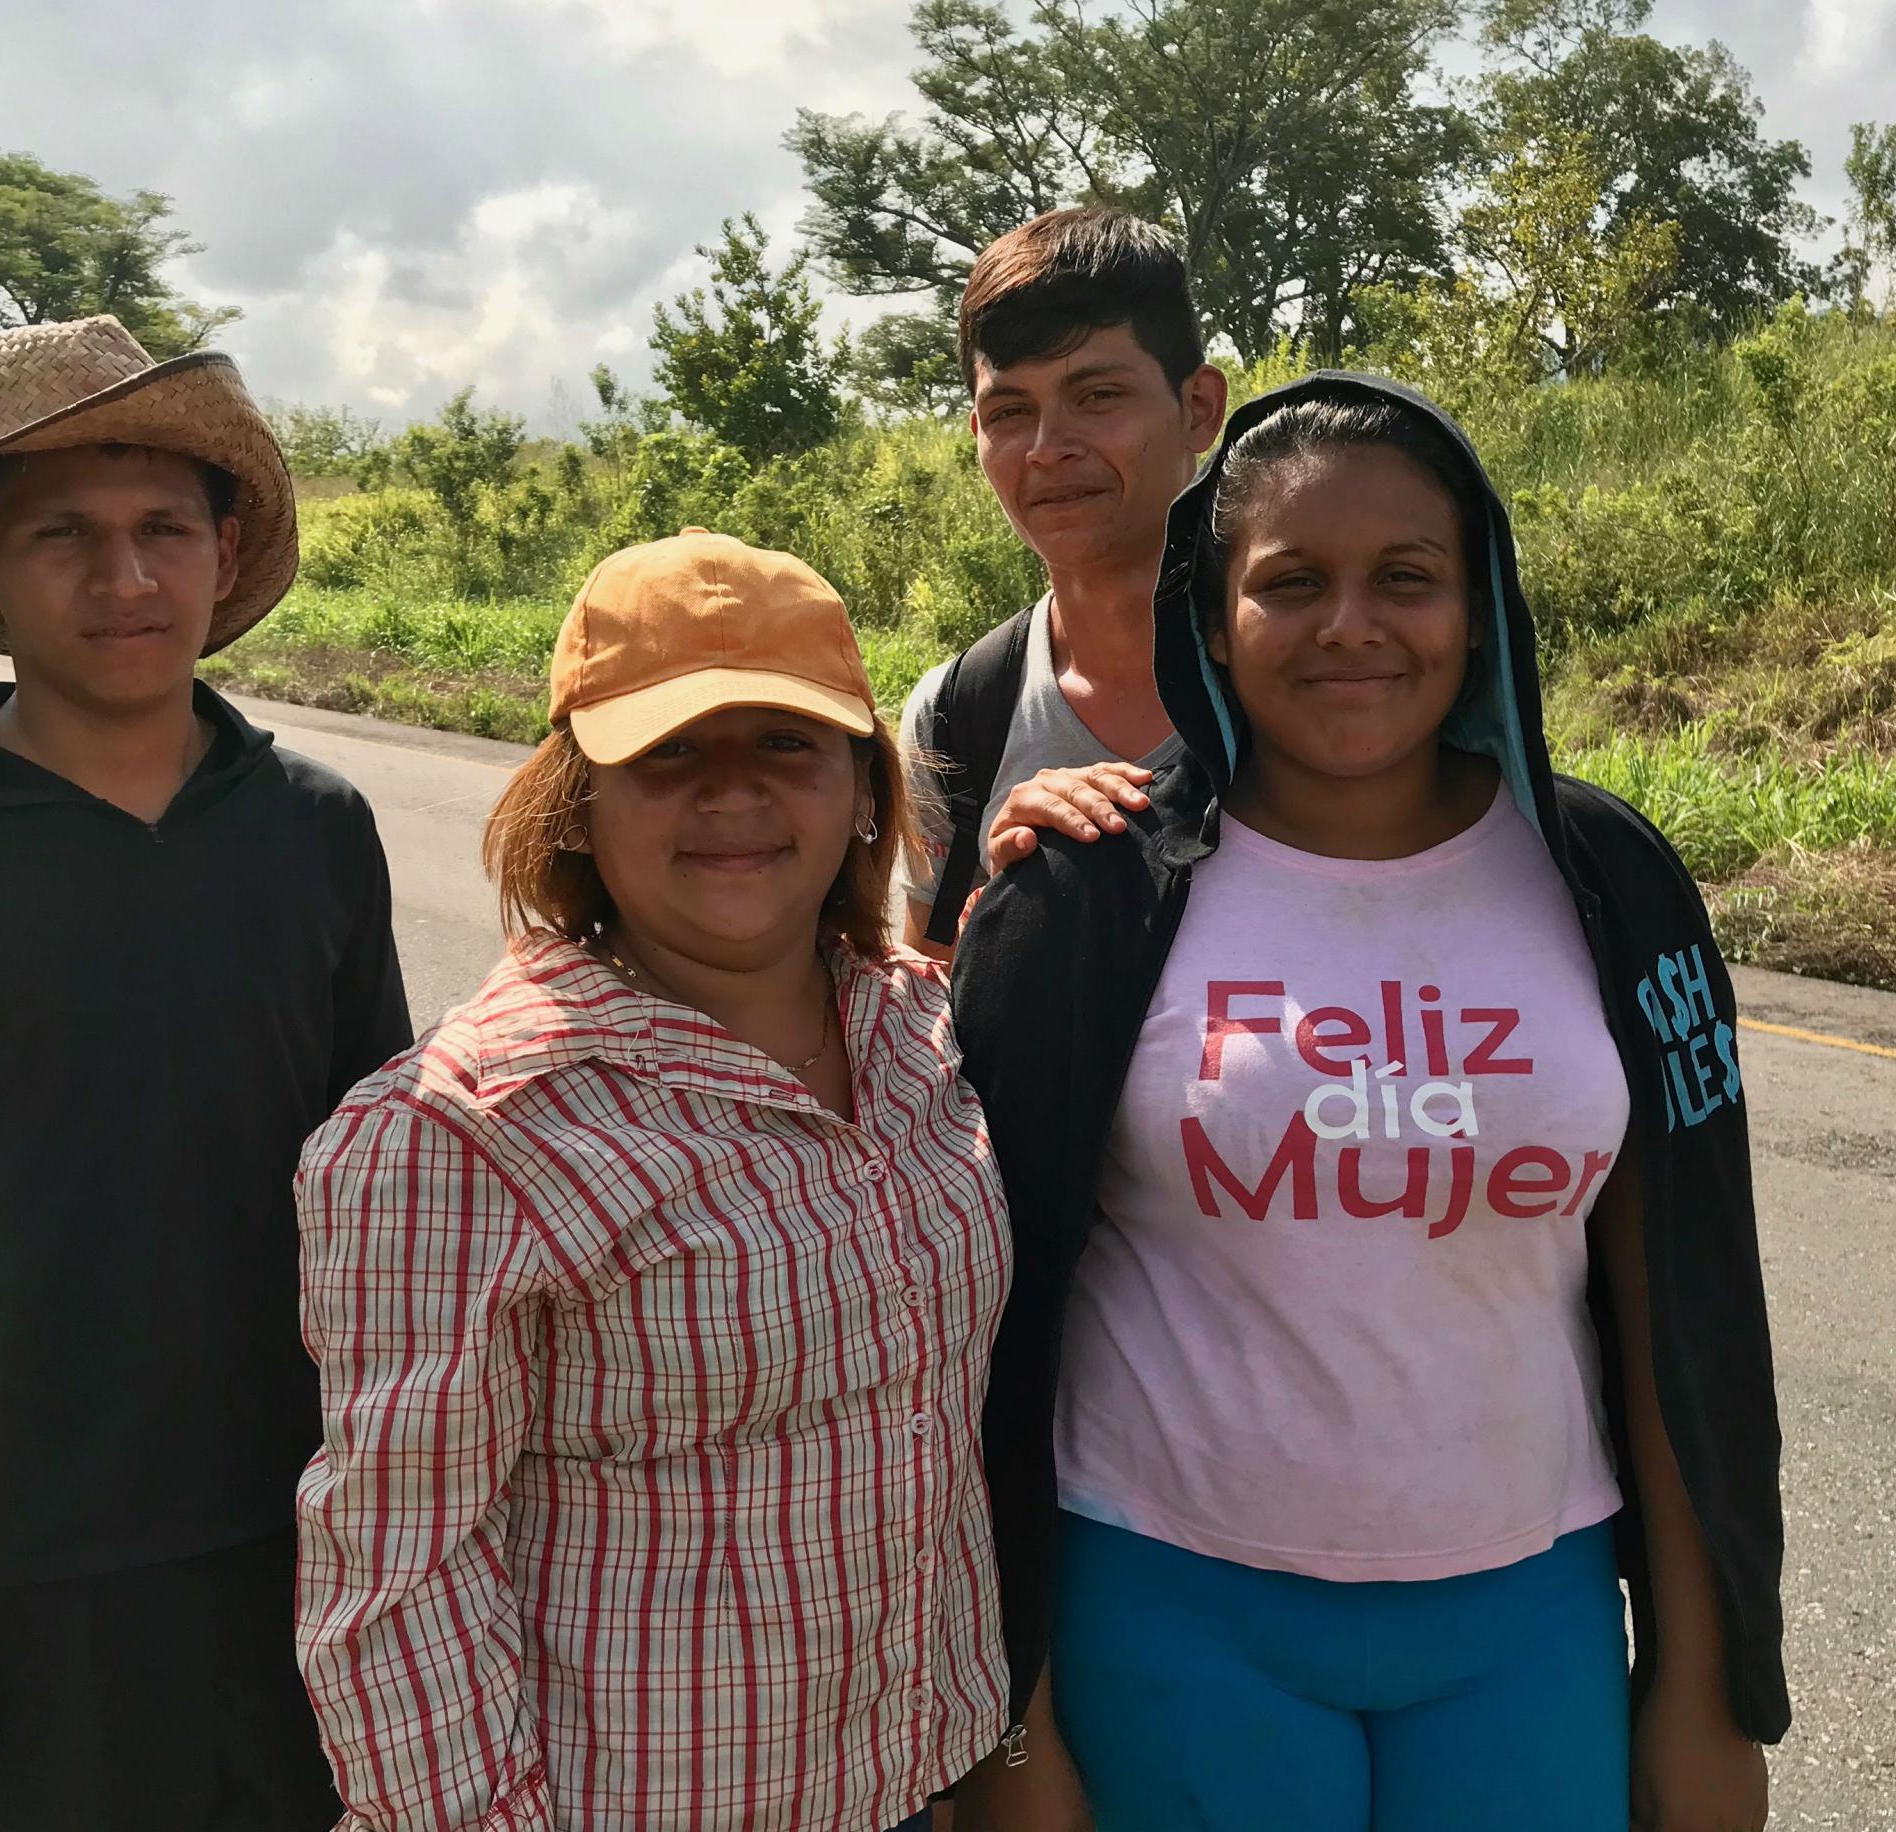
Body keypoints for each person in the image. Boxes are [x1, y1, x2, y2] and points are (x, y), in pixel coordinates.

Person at [948, 375, 1789, 1832]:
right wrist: (1009, 1728)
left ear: (1479, 613)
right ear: (1211, 620)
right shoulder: (1087, 893)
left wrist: (1709, 1696)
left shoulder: (1610, 883)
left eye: (1409, 578)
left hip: (1528, 1619)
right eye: (1291, 583)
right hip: (1165, 1605)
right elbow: (973, 1333)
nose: (1353, 625)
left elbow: (1688, 1304)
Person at [294, 530, 1012, 1832]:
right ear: (579, 799)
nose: (731, 795)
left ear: (863, 783)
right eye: (669, 751)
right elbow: (398, 1582)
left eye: (785, 743)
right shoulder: (468, 1135)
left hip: (914, 1778)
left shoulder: (915, 1032)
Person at [0, 316, 410, 1831]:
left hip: (294, 1553)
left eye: (161, 532)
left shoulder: (312, 826)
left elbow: (390, 1195)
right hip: (12, 1589)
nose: (124, 580)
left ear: (223, 549)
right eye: (63, 534)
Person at [897, 207, 1226, 956]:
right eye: (1011, 410)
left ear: (1199, 408)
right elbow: (925, 1018)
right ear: (978, 435)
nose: (1048, 449)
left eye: (1098, 395)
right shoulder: (957, 717)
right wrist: (1005, 901)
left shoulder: (1320, 677)